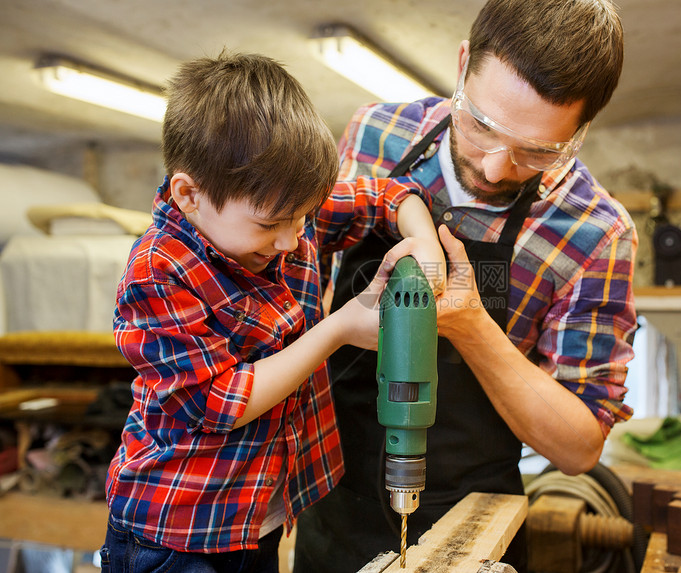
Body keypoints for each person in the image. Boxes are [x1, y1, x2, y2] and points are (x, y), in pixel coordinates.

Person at [293, 0, 637, 570]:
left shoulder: (596, 233)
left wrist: (471, 325)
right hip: (332, 494)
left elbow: (579, 449)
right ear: (461, 66)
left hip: (477, 518)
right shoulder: (376, 134)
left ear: (581, 129)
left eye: (538, 150)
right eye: (482, 126)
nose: (497, 167)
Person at [98, 51, 443, 573]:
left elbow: (386, 194)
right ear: (189, 194)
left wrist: (424, 243)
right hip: (178, 534)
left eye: (304, 217)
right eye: (271, 224)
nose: (292, 239)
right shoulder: (158, 271)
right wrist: (339, 329)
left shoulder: (283, 209)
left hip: (259, 519)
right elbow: (218, 403)